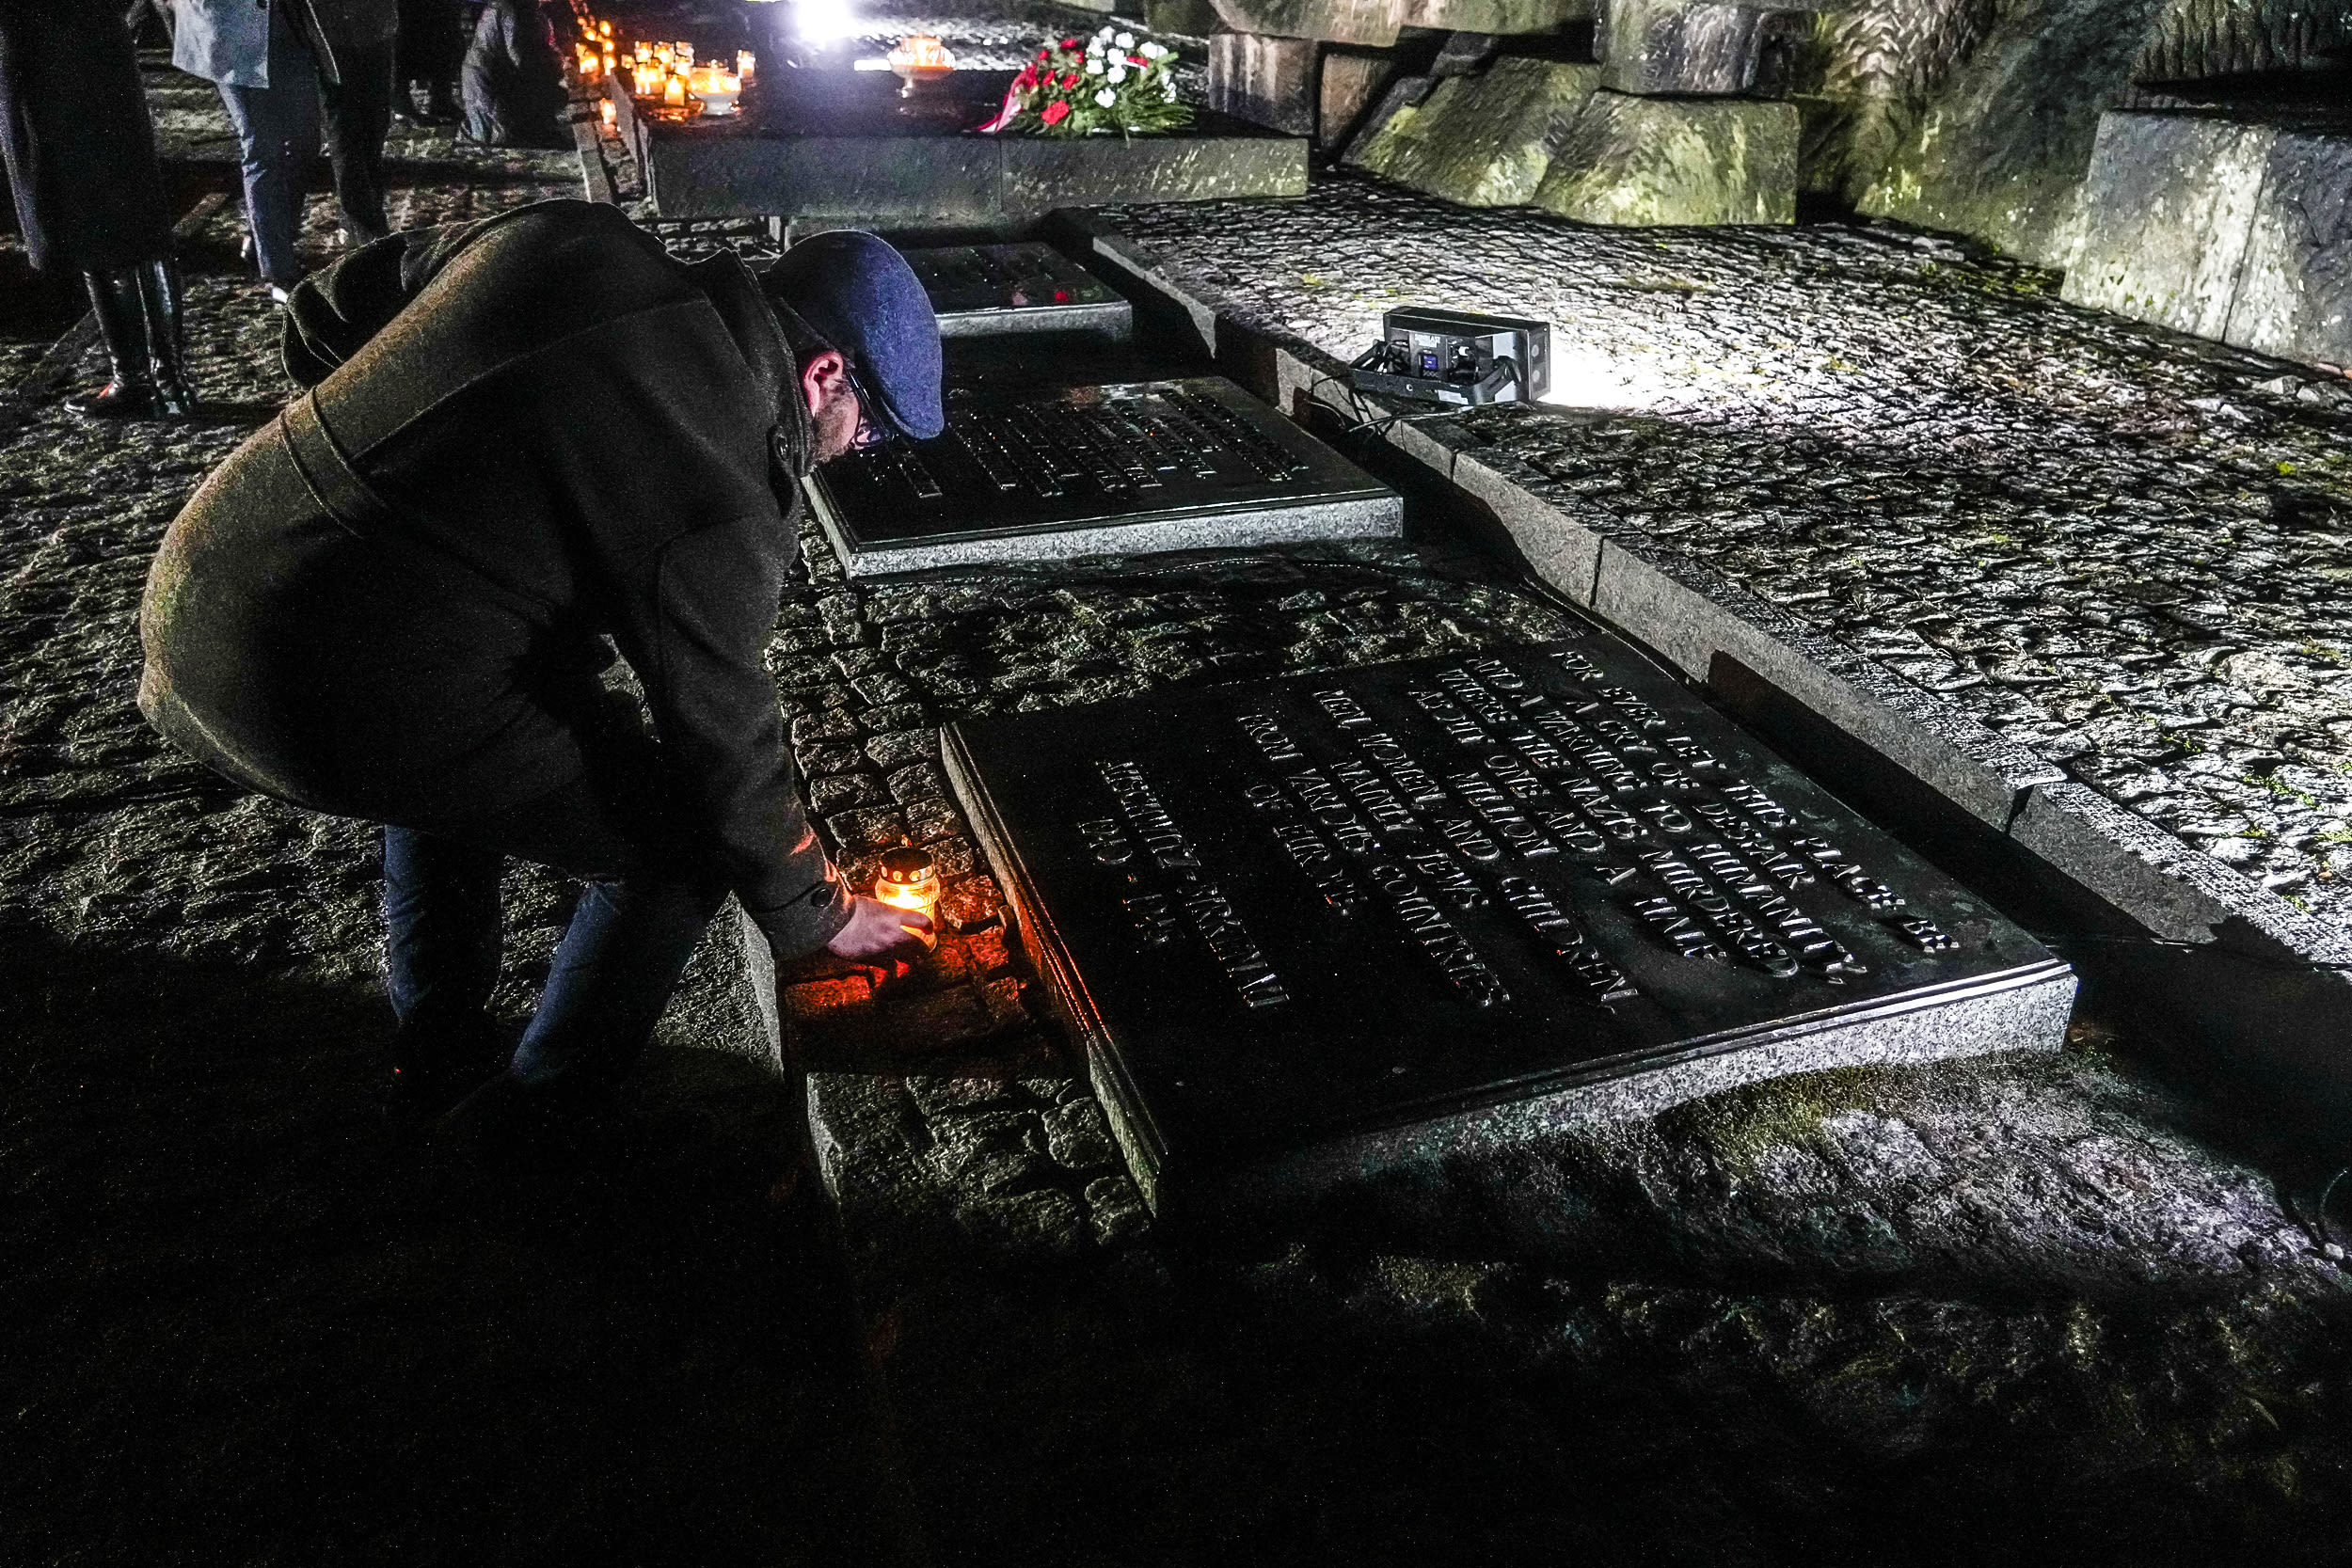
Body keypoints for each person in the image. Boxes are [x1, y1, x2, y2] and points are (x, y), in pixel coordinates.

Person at [135, 201, 944, 1130]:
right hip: (317, 692)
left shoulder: (570, 237)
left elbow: (322, 312)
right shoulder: (720, 474)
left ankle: (437, 1051)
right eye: (868, 431)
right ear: (824, 373)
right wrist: (822, 913)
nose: (852, 454)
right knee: (677, 852)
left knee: (467, 757)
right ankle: (535, 1125)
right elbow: (722, 732)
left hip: (211, 573)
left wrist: (392, 488)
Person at [0, 0, 192, 418]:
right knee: (131, 217)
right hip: (92, 47)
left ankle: (142, 381)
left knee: (95, 219)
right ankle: (166, 381)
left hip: (48, 59)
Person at [173, 0, 398, 300]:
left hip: (289, 24)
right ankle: (278, 271)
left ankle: (262, 236)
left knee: (306, 143)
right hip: (232, 27)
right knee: (264, 147)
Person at [458, 0, 566, 148]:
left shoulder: (531, 9)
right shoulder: (511, 10)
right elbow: (519, 57)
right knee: (501, 137)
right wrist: (551, 80)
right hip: (486, 80)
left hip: (501, 76)